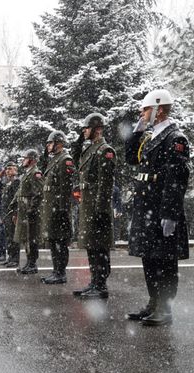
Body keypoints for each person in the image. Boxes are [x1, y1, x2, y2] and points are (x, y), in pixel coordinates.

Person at [124, 89, 190, 326]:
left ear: (159, 109)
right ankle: (154, 302)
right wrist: (136, 132)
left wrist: (170, 214)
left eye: (145, 109)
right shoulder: (151, 136)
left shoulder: (175, 138)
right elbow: (131, 158)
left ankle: (165, 309)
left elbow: (177, 178)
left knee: (165, 260)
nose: (142, 113)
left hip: (161, 209)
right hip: (147, 208)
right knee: (150, 258)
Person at [70, 113, 116, 299]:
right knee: (91, 245)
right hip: (88, 206)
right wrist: (81, 138)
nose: (84, 131)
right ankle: (94, 282)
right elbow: (75, 158)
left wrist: (100, 209)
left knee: (100, 247)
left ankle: (101, 285)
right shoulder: (89, 150)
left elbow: (106, 184)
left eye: (86, 128)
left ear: (97, 129)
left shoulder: (105, 150)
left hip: (98, 207)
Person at [40, 131, 75, 284]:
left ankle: (61, 273)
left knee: (60, 242)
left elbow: (65, 188)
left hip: (59, 210)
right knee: (54, 242)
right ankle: (56, 271)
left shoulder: (65, 160)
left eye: (50, 143)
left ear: (59, 143)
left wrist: (62, 209)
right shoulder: (54, 160)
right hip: (52, 209)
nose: (48, 146)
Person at [8, 149, 43, 274]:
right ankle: (29, 262)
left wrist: (32, 209)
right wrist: (14, 204)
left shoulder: (35, 173)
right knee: (26, 237)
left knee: (31, 238)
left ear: (32, 160)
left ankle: (32, 264)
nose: (23, 160)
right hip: (24, 210)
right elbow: (21, 192)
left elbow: (39, 193)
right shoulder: (27, 173)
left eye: (25, 158)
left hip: (30, 211)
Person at [0, 161, 20, 268]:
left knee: (13, 237)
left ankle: (15, 259)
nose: (8, 171)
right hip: (6, 214)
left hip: (11, 213)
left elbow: (16, 200)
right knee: (8, 237)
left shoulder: (16, 182)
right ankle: (10, 257)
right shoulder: (8, 183)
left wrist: (15, 213)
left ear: (16, 170)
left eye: (10, 169)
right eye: (7, 169)